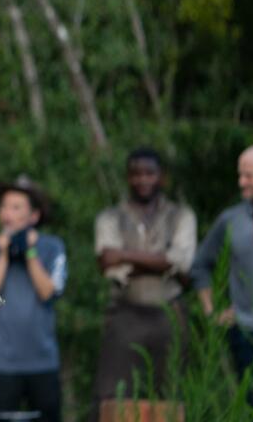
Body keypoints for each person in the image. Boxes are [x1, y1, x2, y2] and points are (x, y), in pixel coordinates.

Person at [93, 147, 195, 409]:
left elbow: (181, 261)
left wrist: (125, 255)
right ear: (128, 177)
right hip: (125, 313)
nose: (143, 180)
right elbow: (109, 265)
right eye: (136, 174)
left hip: (169, 314)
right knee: (114, 395)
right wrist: (161, 262)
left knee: (171, 395)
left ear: (161, 177)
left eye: (149, 173)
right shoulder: (110, 217)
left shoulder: (181, 215)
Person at [0, 177, 67, 422]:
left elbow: (48, 292)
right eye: (4, 207)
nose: (8, 213)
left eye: (16, 207)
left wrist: (29, 252)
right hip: (3, 363)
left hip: (43, 361)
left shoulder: (52, 247)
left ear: (34, 216)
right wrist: (4, 255)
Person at [192, 144, 253, 399]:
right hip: (246, 332)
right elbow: (200, 266)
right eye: (240, 175)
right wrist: (211, 311)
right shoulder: (231, 220)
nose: (241, 182)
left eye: (248, 175)